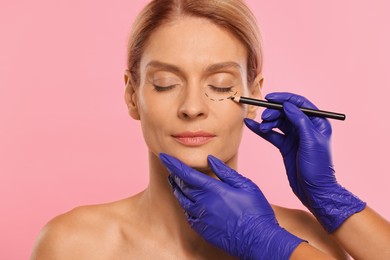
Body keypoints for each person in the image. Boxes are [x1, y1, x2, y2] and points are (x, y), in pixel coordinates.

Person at [31, 0, 390, 259]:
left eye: (219, 85)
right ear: (131, 95)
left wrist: (328, 199)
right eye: (165, 82)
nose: (192, 107)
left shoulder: (310, 241)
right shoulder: (73, 246)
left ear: (254, 96)